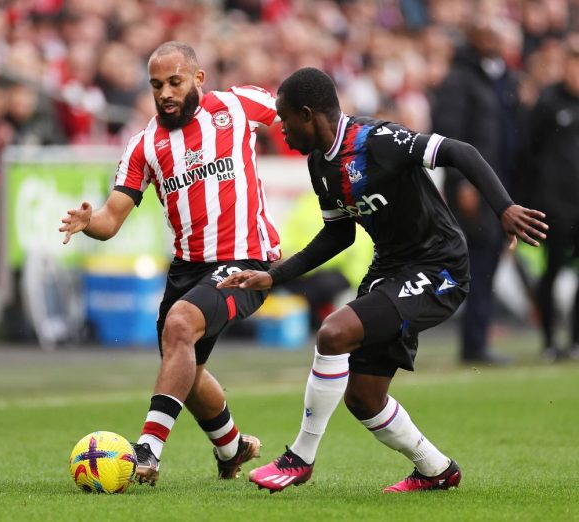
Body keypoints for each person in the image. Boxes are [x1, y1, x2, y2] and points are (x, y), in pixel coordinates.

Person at [218, 67, 547, 493]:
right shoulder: (321, 164)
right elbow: (339, 233)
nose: (281, 131)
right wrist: (273, 276)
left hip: (439, 267)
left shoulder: (377, 140)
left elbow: (461, 151)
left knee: (333, 333)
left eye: (284, 120)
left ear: (307, 114)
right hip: (391, 270)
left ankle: (300, 457)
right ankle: (436, 469)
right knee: (364, 398)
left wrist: (503, 207)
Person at [59, 41, 281, 486]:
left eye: (174, 82)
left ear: (198, 79)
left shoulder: (238, 106)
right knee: (186, 368)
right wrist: (89, 222)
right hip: (187, 269)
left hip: (246, 261)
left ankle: (148, 450)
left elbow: (300, 116)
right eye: (156, 85)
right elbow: (111, 218)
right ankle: (232, 447)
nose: (165, 93)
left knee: (180, 325)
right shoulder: (144, 145)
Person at [432, 20, 521, 364]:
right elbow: (450, 135)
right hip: (475, 187)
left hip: (499, 187)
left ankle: (477, 339)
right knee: (475, 264)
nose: (497, 43)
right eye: (489, 36)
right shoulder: (459, 80)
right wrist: (463, 181)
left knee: (487, 264)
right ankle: (472, 343)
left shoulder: (501, 78)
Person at [529, 34, 579, 362]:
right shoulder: (548, 103)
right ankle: (549, 340)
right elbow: (529, 154)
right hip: (555, 206)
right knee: (553, 271)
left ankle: (575, 340)